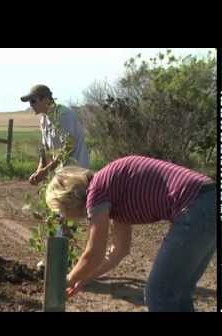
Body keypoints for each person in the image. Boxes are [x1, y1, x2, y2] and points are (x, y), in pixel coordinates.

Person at [45, 155, 215, 312]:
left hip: (196, 207)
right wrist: (83, 278)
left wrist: (65, 280)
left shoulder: (97, 191)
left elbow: (93, 254)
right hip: (209, 200)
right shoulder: (111, 191)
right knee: (178, 294)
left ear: (68, 200)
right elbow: (119, 251)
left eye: (61, 210)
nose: (66, 217)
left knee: (159, 295)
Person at [20, 84, 89, 186]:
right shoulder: (43, 119)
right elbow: (45, 151)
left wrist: (46, 170)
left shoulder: (64, 115)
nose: (31, 105)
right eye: (30, 102)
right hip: (61, 173)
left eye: (33, 101)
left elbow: (69, 147)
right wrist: (39, 171)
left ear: (46, 100)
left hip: (76, 173)